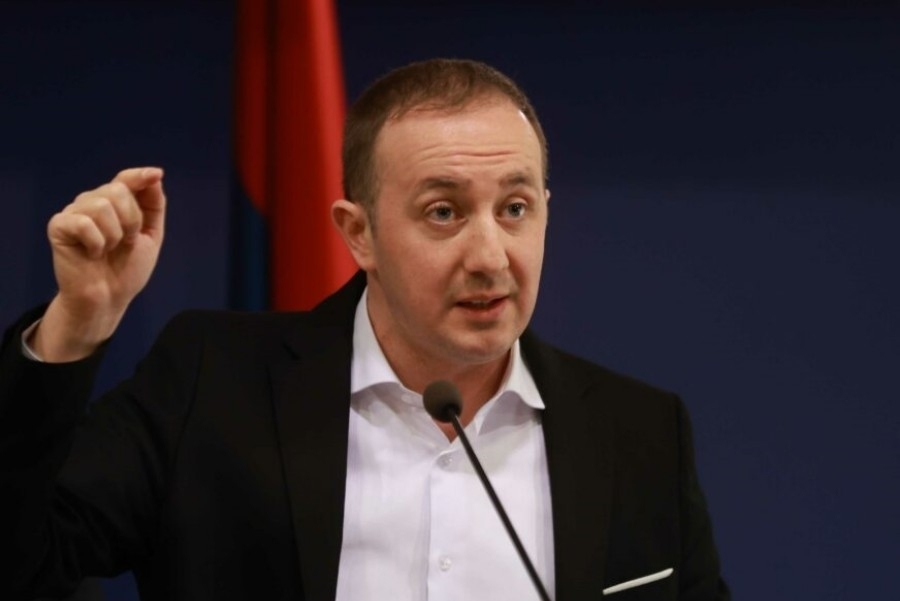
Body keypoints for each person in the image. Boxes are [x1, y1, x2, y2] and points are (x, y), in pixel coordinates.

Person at [1, 59, 729, 600]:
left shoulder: (641, 434)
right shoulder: (210, 383)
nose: (489, 256)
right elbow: (21, 564)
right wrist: (76, 326)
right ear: (359, 234)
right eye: (443, 212)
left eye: (514, 208)